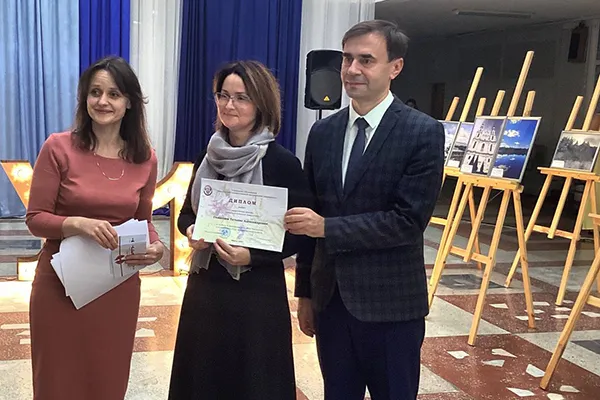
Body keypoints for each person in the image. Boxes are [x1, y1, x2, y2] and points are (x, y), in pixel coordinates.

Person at [285, 20, 445, 399]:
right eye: (347, 59)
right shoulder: (323, 133)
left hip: (391, 307)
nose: (352, 69)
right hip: (331, 303)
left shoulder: (422, 132)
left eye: (366, 60)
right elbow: (310, 215)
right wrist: (305, 294)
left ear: (395, 67)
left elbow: (407, 221)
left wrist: (327, 228)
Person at [168, 60, 312, 400]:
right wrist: (191, 231)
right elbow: (187, 214)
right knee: (203, 377)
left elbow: (300, 233)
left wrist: (253, 255)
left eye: (241, 97)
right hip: (206, 286)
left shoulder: (281, 162)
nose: (229, 105)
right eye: (223, 95)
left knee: (255, 379)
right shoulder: (208, 156)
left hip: (256, 292)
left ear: (261, 102)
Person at [26, 56, 164, 400]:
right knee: (56, 380)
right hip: (60, 284)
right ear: (84, 98)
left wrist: (156, 246)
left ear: (129, 102)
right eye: (95, 92)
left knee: (106, 379)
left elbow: (144, 220)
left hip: (117, 285)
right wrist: (77, 224)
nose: (103, 101)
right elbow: (36, 218)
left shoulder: (145, 158)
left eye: (113, 94)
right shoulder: (58, 147)